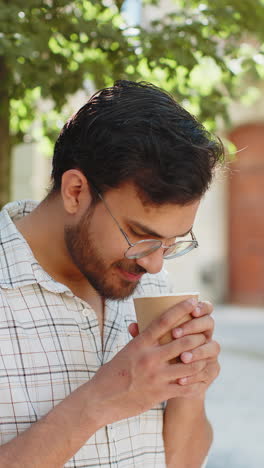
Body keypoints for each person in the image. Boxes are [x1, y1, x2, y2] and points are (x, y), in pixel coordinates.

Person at [0, 80, 223, 467]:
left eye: (171, 242)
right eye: (141, 235)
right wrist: (100, 401)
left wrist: (191, 387)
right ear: (75, 192)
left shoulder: (149, 283)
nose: (155, 264)